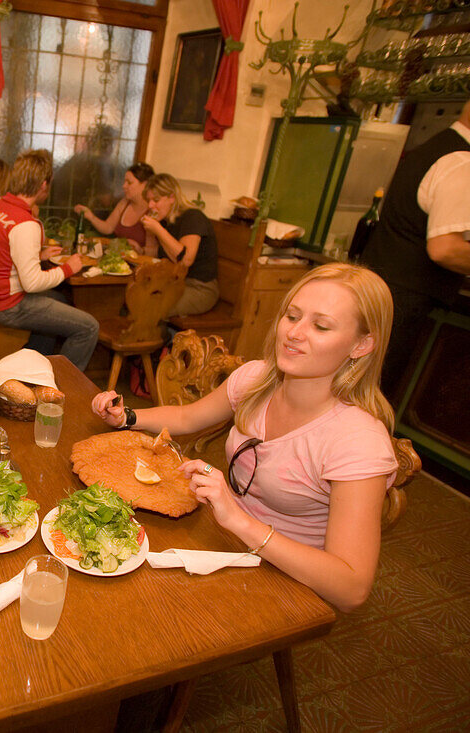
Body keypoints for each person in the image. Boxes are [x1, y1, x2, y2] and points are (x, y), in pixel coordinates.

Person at [92, 263, 398, 612]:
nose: (294, 333)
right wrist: (127, 416)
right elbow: (187, 416)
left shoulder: (358, 441)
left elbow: (351, 589)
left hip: (282, 580)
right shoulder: (258, 378)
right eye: (292, 316)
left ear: (362, 344)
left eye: (321, 325)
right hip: (222, 537)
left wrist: (239, 521)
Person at [361, 72, 470, 399]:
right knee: (369, 407)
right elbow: (446, 249)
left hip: (373, 293)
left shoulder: (431, 149)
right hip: (402, 307)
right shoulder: (467, 163)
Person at [0, 149, 99, 370]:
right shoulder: (25, 223)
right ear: (43, 184)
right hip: (6, 305)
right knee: (89, 327)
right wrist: (69, 268)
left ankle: (32, 369)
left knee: (61, 300)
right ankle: (64, 386)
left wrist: (37, 256)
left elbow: (0, 252)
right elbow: (31, 284)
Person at [140, 172, 220, 318]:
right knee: (134, 295)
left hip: (199, 288)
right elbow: (152, 257)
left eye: (156, 200)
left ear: (172, 197)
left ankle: (156, 339)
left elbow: (186, 260)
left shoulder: (193, 217)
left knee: (151, 305)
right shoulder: (165, 221)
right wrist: (151, 233)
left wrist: (158, 229)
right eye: (149, 200)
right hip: (173, 282)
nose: (151, 205)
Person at [73, 162, 155, 252]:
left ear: (145, 185)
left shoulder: (153, 209)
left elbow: (153, 251)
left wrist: (140, 250)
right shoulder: (125, 202)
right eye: (124, 181)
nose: (124, 186)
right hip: (119, 258)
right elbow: (108, 228)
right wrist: (90, 216)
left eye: (129, 183)